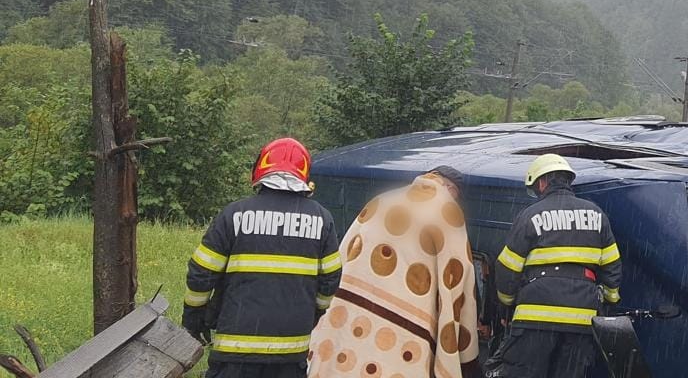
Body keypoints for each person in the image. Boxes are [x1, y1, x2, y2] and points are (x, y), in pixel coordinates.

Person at [183, 137, 342, 378]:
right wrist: (314, 313)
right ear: (304, 176)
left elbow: (201, 273)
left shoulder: (234, 214)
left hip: (235, 351)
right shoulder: (323, 220)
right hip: (291, 352)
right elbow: (330, 280)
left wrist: (194, 317)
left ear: (260, 170)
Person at [308, 166, 481, 378]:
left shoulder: (381, 200)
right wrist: (467, 358)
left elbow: (344, 256)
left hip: (345, 328)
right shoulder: (446, 211)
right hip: (403, 341)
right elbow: (458, 281)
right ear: (451, 189)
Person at [493, 154, 623, 377]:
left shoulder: (530, 215)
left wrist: (507, 300)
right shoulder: (596, 214)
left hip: (535, 316)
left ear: (542, 182)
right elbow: (612, 266)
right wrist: (611, 299)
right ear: (568, 180)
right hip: (581, 317)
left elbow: (507, 266)